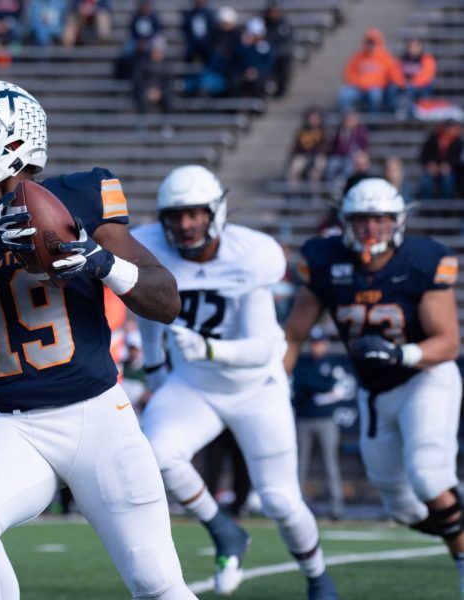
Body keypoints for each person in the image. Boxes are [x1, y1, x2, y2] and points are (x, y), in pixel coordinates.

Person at [0, 80, 192, 599]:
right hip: (9, 425)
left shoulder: (79, 198)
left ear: (8, 141)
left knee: (157, 584)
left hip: (100, 417)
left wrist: (101, 262)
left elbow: (166, 300)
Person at [134, 165, 337, 599]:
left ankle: (318, 577)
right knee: (157, 452)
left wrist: (210, 349)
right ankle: (224, 529)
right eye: (177, 215)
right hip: (194, 385)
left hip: (255, 387)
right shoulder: (148, 246)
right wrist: (155, 370)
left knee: (281, 500)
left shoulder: (252, 255)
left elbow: (264, 347)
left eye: (195, 214)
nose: (186, 225)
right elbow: (146, 309)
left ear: (216, 212)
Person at [283, 178, 464, 597]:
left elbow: (449, 342)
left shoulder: (422, 260)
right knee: (401, 506)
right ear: (345, 222)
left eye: (381, 221)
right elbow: (293, 334)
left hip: (425, 378)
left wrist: (401, 354)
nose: (371, 230)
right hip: (375, 391)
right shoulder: (324, 260)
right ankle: (456, 521)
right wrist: (274, 384)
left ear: (398, 222)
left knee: (427, 473)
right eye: (363, 221)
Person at [292, 326, 354, 521]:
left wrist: (316, 386)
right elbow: (301, 385)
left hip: (326, 418)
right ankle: (296, 506)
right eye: (314, 343)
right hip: (304, 418)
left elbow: (329, 385)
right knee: (300, 463)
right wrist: (317, 386)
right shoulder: (302, 362)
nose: (316, 347)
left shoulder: (332, 362)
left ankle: (336, 508)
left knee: (330, 463)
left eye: (320, 343)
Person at [337, 29, 397, 113]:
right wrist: (359, 83)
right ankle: (348, 121)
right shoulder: (357, 57)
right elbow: (348, 73)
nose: (370, 45)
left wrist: (376, 83)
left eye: (372, 43)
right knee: (345, 94)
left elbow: (391, 76)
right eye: (368, 42)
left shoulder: (386, 58)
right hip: (358, 88)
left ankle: (373, 122)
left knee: (375, 95)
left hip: (375, 88)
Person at [389, 37, 436, 116]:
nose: (412, 49)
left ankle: (406, 109)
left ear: (420, 47)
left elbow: (426, 75)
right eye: (410, 46)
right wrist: (403, 82)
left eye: (415, 46)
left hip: (420, 86)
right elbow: (395, 73)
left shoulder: (427, 59)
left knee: (411, 89)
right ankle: (393, 110)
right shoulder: (402, 59)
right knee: (391, 88)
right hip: (404, 85)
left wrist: (412, 83)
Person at [418, 120, 462, 200]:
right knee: (426, 181)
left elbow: (458, 160)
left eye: (450, 127)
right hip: (433, 170)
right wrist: (430, 163)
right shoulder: (433, 138)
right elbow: (423, 156)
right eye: (447, 126)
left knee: (447, 181)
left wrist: (449, 165)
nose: (448, 129)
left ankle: (446, 208)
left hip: (452, 173)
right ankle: (426, 207)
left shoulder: (458, 141)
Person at [286, 107, 328, 188]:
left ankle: (314, 192)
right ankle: (293, 192)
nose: (313, 120)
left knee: (317, 169)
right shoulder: (302, 131)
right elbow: (296, 147)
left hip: (317, 156)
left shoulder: (323, 132)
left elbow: (325, 147)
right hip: (304, 156)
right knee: (293, 169)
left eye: (316, 118)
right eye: (311, 118)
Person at [325, 110, 369, 183]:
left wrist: (361, 154)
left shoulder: (360, 131)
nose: (349, 121)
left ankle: (344, 184)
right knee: (331, 165)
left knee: (349, 166)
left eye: (351, 119)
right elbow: (335, 145)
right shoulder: (339, 130)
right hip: (339, 156)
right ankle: (331, 187)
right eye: (347, 119)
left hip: (352, 157)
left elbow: (365, 147)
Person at [235, 17, 273, 98]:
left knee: (259, 83)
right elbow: (238, 61)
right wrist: (247, 70)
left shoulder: (266, 47)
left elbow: (268, 64)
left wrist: (257, 71)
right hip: (245, 73)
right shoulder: (243, 47)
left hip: (260, 74)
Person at [263, 0, 294, 97]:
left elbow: (288, 42)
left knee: (284, 60)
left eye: (276, 11)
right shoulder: (263, 23)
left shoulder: (285, 25)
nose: (273, 13)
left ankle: (281, 89)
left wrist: (275, 51)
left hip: (279, 53)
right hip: (266, 52)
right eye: (271, 11)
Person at [181, 0, 217, 64]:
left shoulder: (209, 15)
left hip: (206, 43)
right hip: (193, 42)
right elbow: (186, 29)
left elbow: (212, 30)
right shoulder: (189, 14)